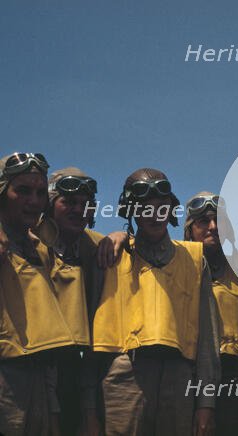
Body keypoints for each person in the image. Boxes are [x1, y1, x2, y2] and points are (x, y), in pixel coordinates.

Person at [85, 168, 220, 435]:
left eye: (162, 207)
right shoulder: (108, 255)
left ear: (171, 211)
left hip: (180, 379)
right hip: (122, 379)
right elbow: (89, 335)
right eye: (144, 208)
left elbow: (208, 340)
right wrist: (88, 409)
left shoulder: (194, 260)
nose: (154, 214)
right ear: (130, 211)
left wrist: (206, 403)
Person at [0, 152, 78, 435]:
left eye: (38, 192)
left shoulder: (40, 252)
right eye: (21, 191)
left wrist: (53, 408)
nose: (33, 201)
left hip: (38, 382)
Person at [35, 167, 103, 435]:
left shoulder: (94, 248)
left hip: (74, 368)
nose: (78, 210)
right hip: (30, 365)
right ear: (50, 204)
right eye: (69, 202)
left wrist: (119, 237)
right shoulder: (26, 241)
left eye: (86, 205)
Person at [184, 191, 238, 436]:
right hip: (187, 375)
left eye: (219, 222)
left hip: (233, 375)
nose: (213, 227)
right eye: (204, 221)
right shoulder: (175, 266)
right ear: (190, 229)